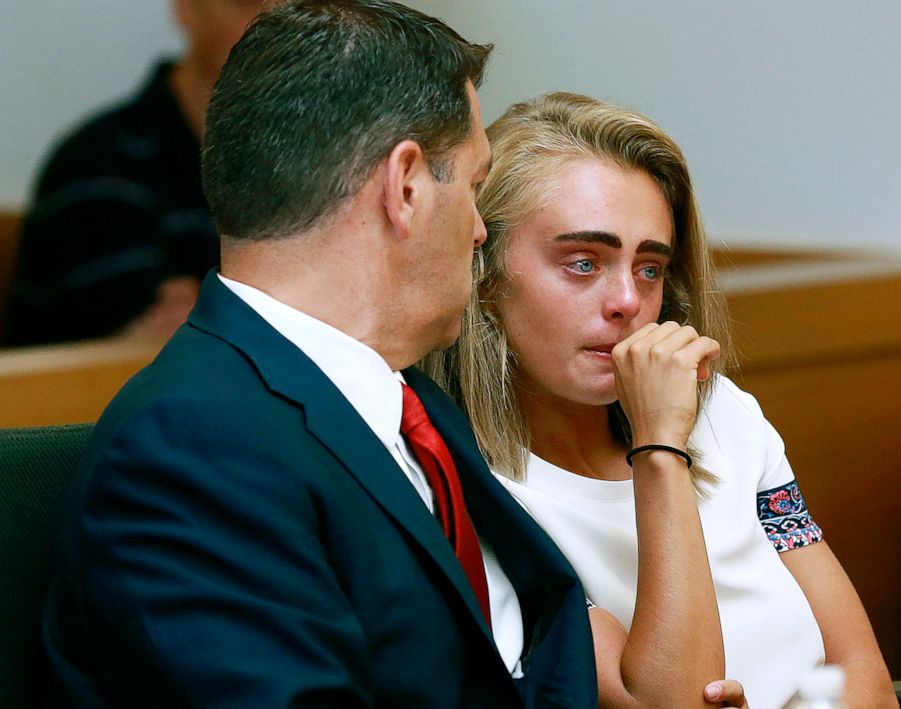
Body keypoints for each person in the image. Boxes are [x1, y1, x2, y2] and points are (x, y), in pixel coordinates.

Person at [40, 4, 603, 707]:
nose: (482, 229)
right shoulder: (191, 448)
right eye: (475, 185)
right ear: (405, 188)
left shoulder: (413, 403)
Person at [425, 92, 898, 709]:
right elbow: (666, 702)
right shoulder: (466, 489)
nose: (626, 300)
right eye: (583, 262)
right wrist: (659, 447)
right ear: (484, 273)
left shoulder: (723, 413)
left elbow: (861, 672)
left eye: (649, 268)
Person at [4, 1, 269, 346]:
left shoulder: (329, 159)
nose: (279, 20)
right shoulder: (97, 164)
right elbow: (152, 338)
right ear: (187, 8)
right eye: (247, 3)